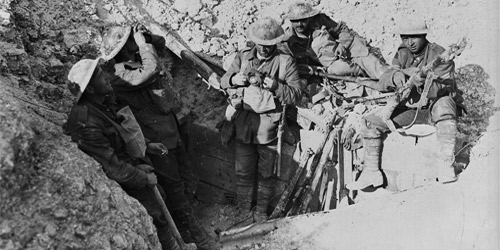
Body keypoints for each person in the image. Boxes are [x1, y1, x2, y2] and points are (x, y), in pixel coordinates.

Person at [100, 24, 217, 249]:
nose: (138, 43)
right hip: (155, 137)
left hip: (169, 128)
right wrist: (143, 45)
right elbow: (151, 70)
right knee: (174, 187)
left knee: (185, 178)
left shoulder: (134, 59)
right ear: (123, 48)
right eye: (130, 41)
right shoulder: (117, 74)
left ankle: (187, 229)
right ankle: (199, 237)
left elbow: (161, 46)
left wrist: (146, 38)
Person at [64, 59, 182, 250]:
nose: (107, 78)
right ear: (91, 89)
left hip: (129, 167)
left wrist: (147, 146)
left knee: (160, 200)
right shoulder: (86, 123)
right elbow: (113, 169)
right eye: (101, 76)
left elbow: (121, 135)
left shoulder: (102, 104)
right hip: (118, 183)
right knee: (154, 213)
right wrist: (143, 177)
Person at [346, 20, 464, 191]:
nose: (410, 42)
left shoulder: (440, 55)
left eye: (414, 37)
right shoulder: (403, 52)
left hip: (433, 106)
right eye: (405, 37)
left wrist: (421, 81)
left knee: (445, 105)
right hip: (410, 107)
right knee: (370, 122)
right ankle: (371, 172)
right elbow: (386, 77)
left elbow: (442, 88)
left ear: (424, 35)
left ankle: (445, 165)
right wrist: (397, 77)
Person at [221, 17, 304, 223]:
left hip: (269, 128)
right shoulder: (242, 57)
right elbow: (224, 81)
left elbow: (296, 94)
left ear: (276, 43)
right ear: (254, 41)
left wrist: (276, 86)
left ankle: (260, 212)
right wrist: (233, 80)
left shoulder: (285, 62)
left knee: (266, 174)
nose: (265, 49)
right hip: (244, 126)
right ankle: (243, 210)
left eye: (269, 45)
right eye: (261, 44)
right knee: (243, 172)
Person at [282, 1, 389, 80]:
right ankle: (371, 79)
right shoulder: (288, 41)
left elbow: (342, 29)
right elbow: (294, 67)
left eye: (303, 20)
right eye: (296, 21)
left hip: (347, 49)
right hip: (332, 66)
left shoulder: (319, 20)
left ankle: (396, 82)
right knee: (342, 70)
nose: (300, 24)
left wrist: (342, 45)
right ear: (291, 21)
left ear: (309, 18)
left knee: (373, 64)